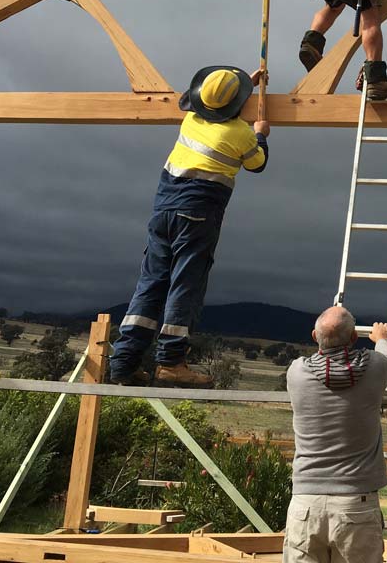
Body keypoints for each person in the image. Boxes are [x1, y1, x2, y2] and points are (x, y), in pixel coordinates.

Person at [109, 66, 270, 388]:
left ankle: (123, 363)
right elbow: (258, 164)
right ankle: (170, 362)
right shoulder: (239, 133)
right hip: (196, 215)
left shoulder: (191, 120)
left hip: (163, 211)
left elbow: (214, 106)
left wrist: (244, 87)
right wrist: (261, 134)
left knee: (151, 283)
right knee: (186, 285)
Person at [283, 306, 387, 563]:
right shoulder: (374, 368)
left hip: (305, 503)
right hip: (356, 503)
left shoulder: (296, 373)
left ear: (314, 336)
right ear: (355, 338)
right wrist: (381, 339)